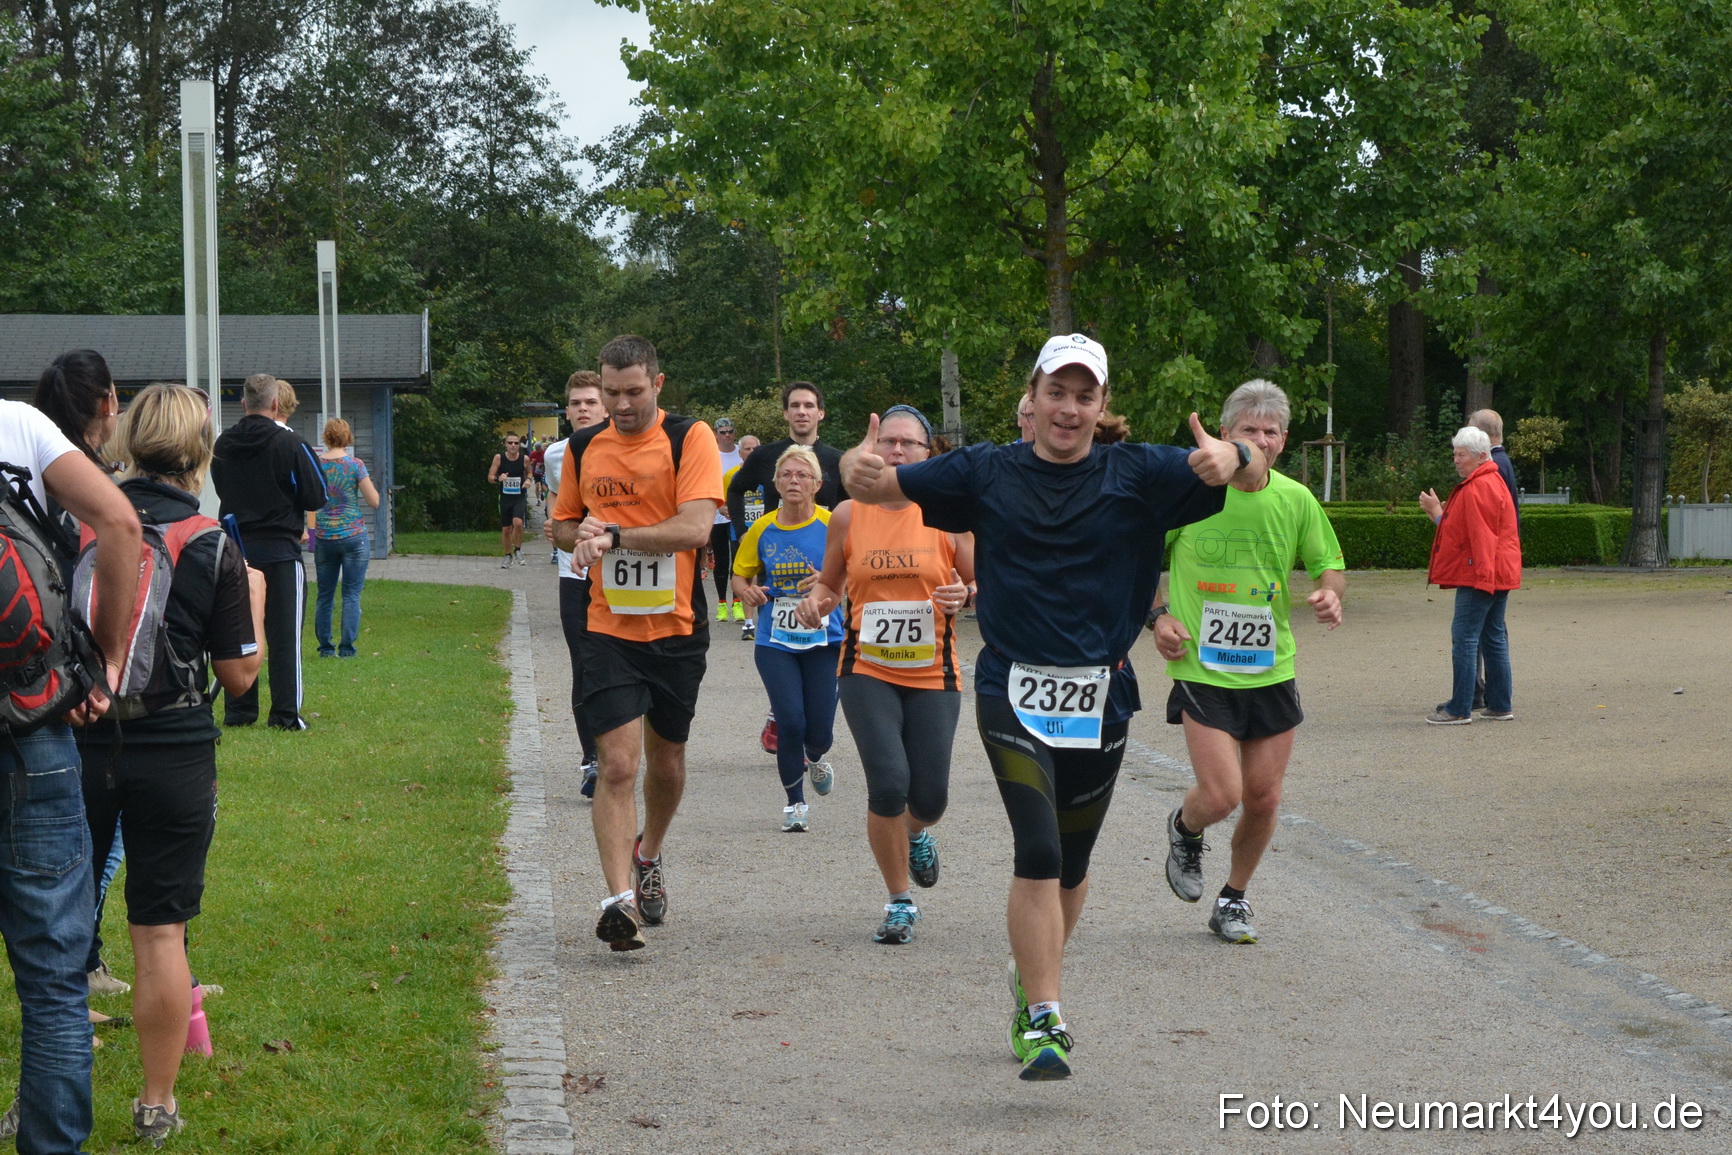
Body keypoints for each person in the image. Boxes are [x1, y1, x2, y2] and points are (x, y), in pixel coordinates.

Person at [842, 332, 1265, 1081]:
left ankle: (1030, 977)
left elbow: (1255, 472)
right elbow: (874, 489)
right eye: (1056, 392)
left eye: (1085, 395)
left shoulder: (1138, 472)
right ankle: (1046, 1015)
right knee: (1036, 848)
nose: (1069, 408)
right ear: (1031, 399)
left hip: (1102, 693)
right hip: (1013, 686)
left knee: (1071, 865)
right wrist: (856, 465)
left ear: (1102, 406)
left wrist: (1236, 457)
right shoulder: (985, 470)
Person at [78, 384, 266, 1149]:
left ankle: (50, 1089)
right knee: (158, 934)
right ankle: (156, 1103)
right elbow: (239, 677)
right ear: (200, 449)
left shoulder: (86, 521)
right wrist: (253, 605)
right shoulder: (213, 541)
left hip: (81, 740)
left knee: (60, 929)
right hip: (177, 748)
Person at [0, 367, 142, 1154]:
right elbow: (119, 523)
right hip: (33, 727)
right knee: (54, 986)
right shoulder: (18, 423)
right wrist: (107, 661)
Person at [1151, 380, 1345, 946]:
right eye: (1248, 430)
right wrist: (1159, 616)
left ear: (1282, 440)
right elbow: (1137, 558)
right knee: (1222, 795)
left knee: (1264, 797)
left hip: (1270, 667)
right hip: (1200, 667)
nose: (1260, 438)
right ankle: (1186, 828)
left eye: (1270, 430)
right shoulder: (1189, 491)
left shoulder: (1296, 499)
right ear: (1225, 433)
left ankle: (1233, 898)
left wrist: (1331, 593)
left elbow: (1328, 564)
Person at [550, 336, 723, 953]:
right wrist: (581, 534)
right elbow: (563, 521)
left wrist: (617, 535)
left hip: (676, 629)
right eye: (610, 392)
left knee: (667, 762)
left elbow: (695, 528)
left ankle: (649, 853)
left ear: (657, 383)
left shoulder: (690, 437)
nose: (620, 405)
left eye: (632, 391)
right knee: (618, 765)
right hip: (607, 627)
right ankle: (618, 900)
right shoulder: (580, 446)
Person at [797, 405, 974, 944]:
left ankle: (917, 834)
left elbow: (980, 582)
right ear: (871, 451)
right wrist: (816, 604)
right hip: (865, 668)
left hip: (934, 671)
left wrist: (964, 594)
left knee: (931, 798)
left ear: (928, 453)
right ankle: (900, 901)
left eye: (909, 444)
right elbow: (828, 584)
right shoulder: (848, 514)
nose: (897, 452)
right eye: (888, 443)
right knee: (889, 784)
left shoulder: (950, 513)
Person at [29, 350, 134, 1002]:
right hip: (76, 679)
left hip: (37, 671)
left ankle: (77, 958)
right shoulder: (84, 483)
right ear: (106, 403)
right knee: (91, 835)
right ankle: (80, 960)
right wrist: (108, 658)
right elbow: (109, 546)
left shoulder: (31, 469)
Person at [732, 445, 845, 833]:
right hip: (775, 639)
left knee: (820, 733)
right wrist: (745, 592)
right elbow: (739, 574)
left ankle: (815, 757)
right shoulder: (762, 528)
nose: (793, 481)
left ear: (817, 484)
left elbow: (858, 575)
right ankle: (794, 804)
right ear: (776, 484)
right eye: (786, 475)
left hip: (825, 638)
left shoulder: (835, 524)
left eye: (802, 475)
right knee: (790, 722)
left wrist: (830, 582)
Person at [211, 371, 328, 730]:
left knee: (239, 630)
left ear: (243, 403)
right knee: (284, 634)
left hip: (237, 549)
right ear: (276, 404)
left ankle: (239, 710)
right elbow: (317, 494)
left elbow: (219, 486)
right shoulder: (292, 445)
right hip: (280, 549)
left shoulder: (223, 444)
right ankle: (285, 714)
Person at [726, 382, 848, 646]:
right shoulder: (764, 455)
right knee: (778, 646)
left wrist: (838, 571)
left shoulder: (838, 460)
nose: (801, 412)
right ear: (785, 414)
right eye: (795, 406)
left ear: (821, 413)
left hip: (822, 567)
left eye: (808, 406)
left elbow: (854, 512)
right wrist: (744, 532)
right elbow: (735, 491)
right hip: (776, 568)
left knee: (823, 645)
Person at [1419, 426, 1520, 724]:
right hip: (1496, 571)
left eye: (1460, 455)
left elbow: (1478, 536)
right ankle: (1500, 704)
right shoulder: (1490, 480)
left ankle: (1460, 708)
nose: (1456, 460)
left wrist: (1436, 513)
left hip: (1481, 573)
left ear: (1478, 456)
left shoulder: (1478, 486)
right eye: (1455, 454)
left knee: (1464, 637)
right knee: (1493, 637)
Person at [542, 372, 609, 798]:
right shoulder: (555, 454)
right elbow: (556, 501)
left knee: (621, 664)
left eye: (590, 401)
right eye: (575, 403)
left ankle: (622, 749)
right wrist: (557, 527)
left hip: (620, 574)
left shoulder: (623, 447)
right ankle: (591, 758)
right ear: (566, 411)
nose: (583, 408)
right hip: (575, 574)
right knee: (584, 664)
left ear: (605, 408)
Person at [311, 418, 381, 659]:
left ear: (326, 437)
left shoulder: (316, 466)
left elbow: (308, 502)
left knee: (324, 595)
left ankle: (325, 648)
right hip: (353, 536)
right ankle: (347, 649)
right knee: (351, 594)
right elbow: (374, 501)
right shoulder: (356, 465)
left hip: (324, 536)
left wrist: (309, 531)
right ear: (348, 436)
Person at [709, 418, 745, 625]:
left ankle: (737, 602)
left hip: (737, 515)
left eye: (730, 431)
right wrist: (718, 506)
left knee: (738, 561)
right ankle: (721, 603)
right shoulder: (711, 454)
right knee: (721, 562)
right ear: (716, 434)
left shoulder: (741, 452)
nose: (727, 435)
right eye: (723, 432)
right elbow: (705, 483)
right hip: (717, 515)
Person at [489, 432, 531, 567]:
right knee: (506, 529)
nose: (513, 445)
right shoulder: (499, 458)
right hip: (505, 498)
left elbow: (529, 472)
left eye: (516, 443)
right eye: (510, 443)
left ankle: (518, 549)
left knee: (518, 523)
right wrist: (498, 478)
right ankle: (508, 555)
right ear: (505, 444)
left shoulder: (524, 459)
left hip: (519, 496)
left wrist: (529, 480)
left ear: (519, 445)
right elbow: (490, 477)